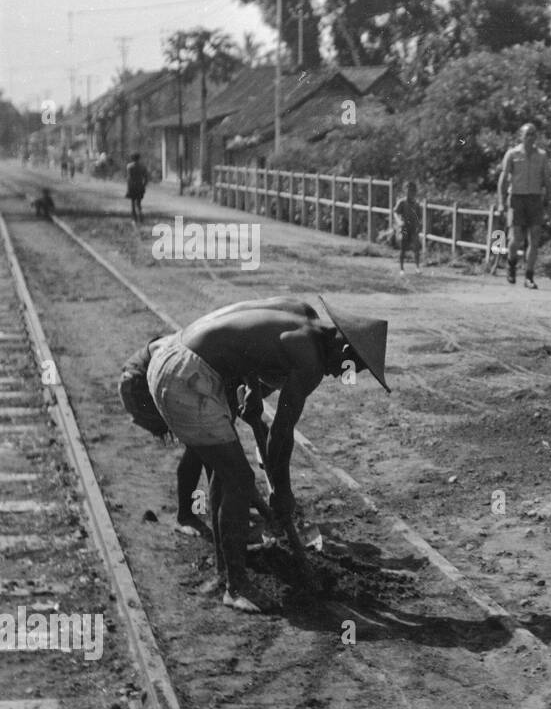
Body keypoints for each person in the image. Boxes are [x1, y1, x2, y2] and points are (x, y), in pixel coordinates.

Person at [145, 297, 390, 613]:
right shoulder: (310, 359)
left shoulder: (297, 312)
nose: (339, 377)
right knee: (240, 479)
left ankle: (225, 571)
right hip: (186, 376)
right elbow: (281, 434)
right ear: (344, 351)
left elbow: (244, 340)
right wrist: (283, 493)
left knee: (227, 473)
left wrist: (251, 391)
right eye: (348, 370)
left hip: (177, 355)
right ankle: (236, 588)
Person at [119, 298, 318, 541]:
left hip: (170, 373)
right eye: (265, 389)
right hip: (140, 383)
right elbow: (224, 458)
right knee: (205, 452)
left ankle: (220, 513)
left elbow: (261, 429)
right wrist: (260, 505)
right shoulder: (227, 372)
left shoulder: (245, 364)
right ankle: (187, 515)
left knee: (221, 457)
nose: (265, 394)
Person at [496, 123, 551, 289]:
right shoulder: (512, 154)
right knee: (515, 238)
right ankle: (511, 265)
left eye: (533, 134)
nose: (531, 137)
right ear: (521, 136)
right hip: (517, 198)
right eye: (528, 134)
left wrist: (550, 202)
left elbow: (548, 180)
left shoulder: (542, 156)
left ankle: (529, 276)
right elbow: (504, 178)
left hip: (535, 199)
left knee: (534, 239)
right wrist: (501, 202)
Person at [391, 182, 423, 274]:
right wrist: (399, 221)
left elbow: (419, 216)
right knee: (403, 247)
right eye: (409, 191)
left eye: (413, 191)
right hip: (404, 227)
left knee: (416, 247)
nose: (411, 193)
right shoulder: (402, 202)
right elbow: (395, 212)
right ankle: (402, 268)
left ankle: (417, 267)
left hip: (413, 227)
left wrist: (419, 225)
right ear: (406, 191)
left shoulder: (416, 204)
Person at [125, 153, 148, 223]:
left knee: (132, 202)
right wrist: (144, 185)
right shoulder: (143, 166)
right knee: (138, 203)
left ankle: (134, 218)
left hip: (132, 186)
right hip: (140, 186)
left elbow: (129, 178)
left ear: (132, 158)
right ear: (139, 158)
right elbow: (146, 178)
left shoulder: (129, 166)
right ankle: (140, 216)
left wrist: (128, 187)